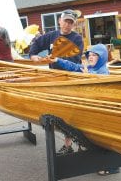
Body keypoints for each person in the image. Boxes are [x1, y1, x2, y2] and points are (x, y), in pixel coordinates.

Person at [48, 43, 120, 176]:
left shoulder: (102, 71)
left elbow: (100, 90)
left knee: (101, 142)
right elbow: (74, 66)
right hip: (90, 111)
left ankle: (112, 166)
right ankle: (92, 158)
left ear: (102, 57)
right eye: (89, 55)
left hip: (101, 114)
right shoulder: (90, 68)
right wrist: (57, 60)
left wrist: (88, 77)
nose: (90, 57)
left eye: (94, 55)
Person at [29, 9, 84, 155]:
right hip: (54, 79)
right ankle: (69, 144)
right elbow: (35, 45)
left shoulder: (77, 39)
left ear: (73, 25)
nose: (67, 24)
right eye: (65, 21)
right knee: (55, 112)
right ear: (60, 20)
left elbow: (74, 60)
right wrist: (33, 55)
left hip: (70, 80)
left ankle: (69, 144)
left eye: (70, 22)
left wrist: (56, 57)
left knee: (69, 114)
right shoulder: (51, 36)